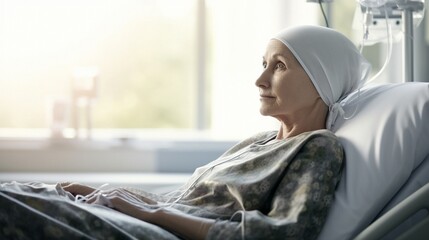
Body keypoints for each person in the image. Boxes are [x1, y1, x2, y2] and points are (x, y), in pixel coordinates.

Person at [0, 25, 371, 240]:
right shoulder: (259, 143)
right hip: (146, 223)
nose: (259, 80)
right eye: (263, 64)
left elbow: (277, 237)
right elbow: (183, 200)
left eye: (279, 66)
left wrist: (147, 215)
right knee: (18, 191)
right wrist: (109, 193)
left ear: (322, 80)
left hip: (160, 235)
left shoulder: (318, 148)